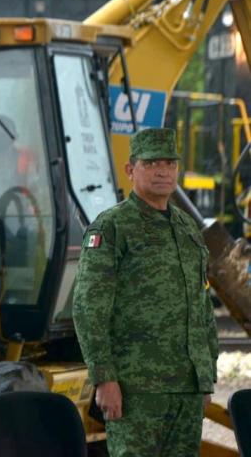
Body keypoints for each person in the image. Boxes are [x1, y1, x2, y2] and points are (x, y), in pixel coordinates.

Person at [72, 127, 218, 456]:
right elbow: (88, 307)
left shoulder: (186, 228)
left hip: (186, 390)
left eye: (169, 163)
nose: (163, 171)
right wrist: (104, 378)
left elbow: (200, 305)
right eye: (151, 163)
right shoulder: (112, 227)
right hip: (135, 390)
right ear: (131, 169)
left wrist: (205, 374)